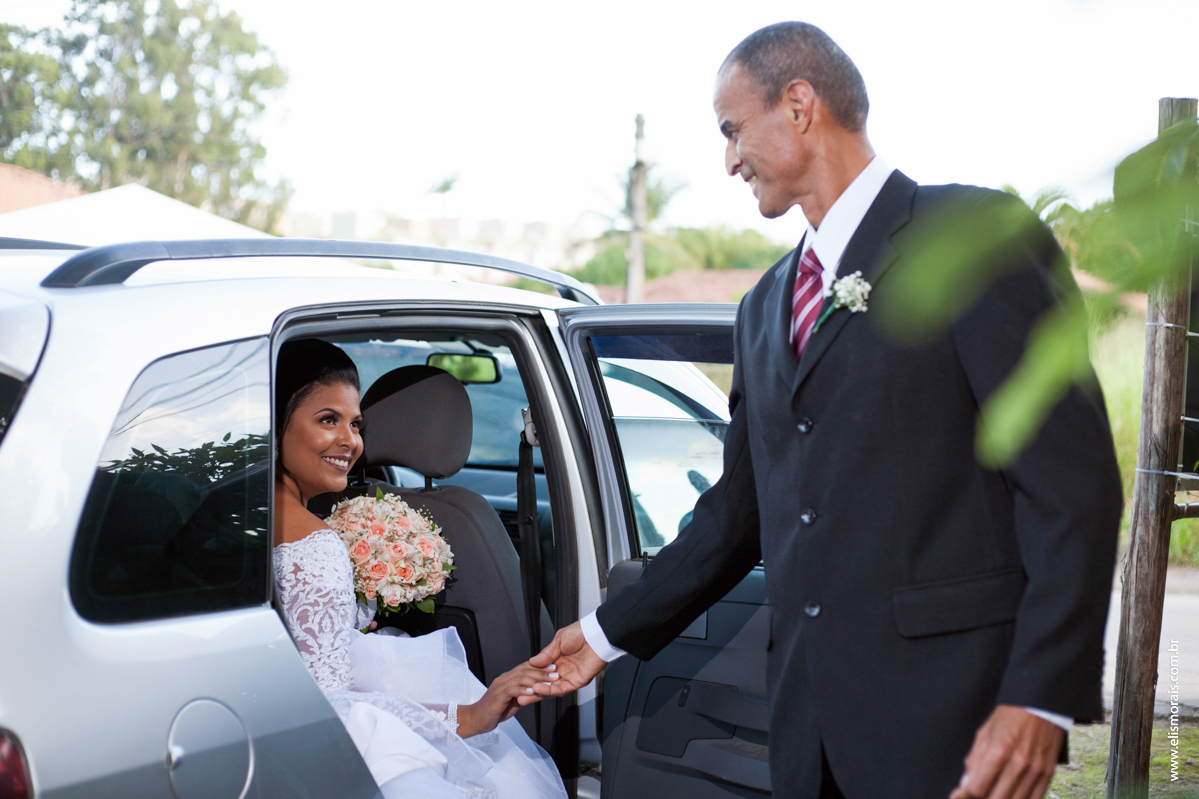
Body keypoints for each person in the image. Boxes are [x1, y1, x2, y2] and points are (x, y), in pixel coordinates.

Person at [525, 22, 1123, 799]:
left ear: (798, 104)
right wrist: (605, 635)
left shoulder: (975, 237)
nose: (728, 160)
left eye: (731, 129)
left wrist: (1038, 694)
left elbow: (1069, 486)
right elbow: (734, 515)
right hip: (808, 731)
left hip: (955, 722)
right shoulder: (763, 304)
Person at [272, 338, 566, 799]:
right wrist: (468, 716)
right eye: (328, 420)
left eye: (356, 424)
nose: (350, 442)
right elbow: (331, 710)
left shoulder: (229, 518)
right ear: (276, 424)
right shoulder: (316, 546)